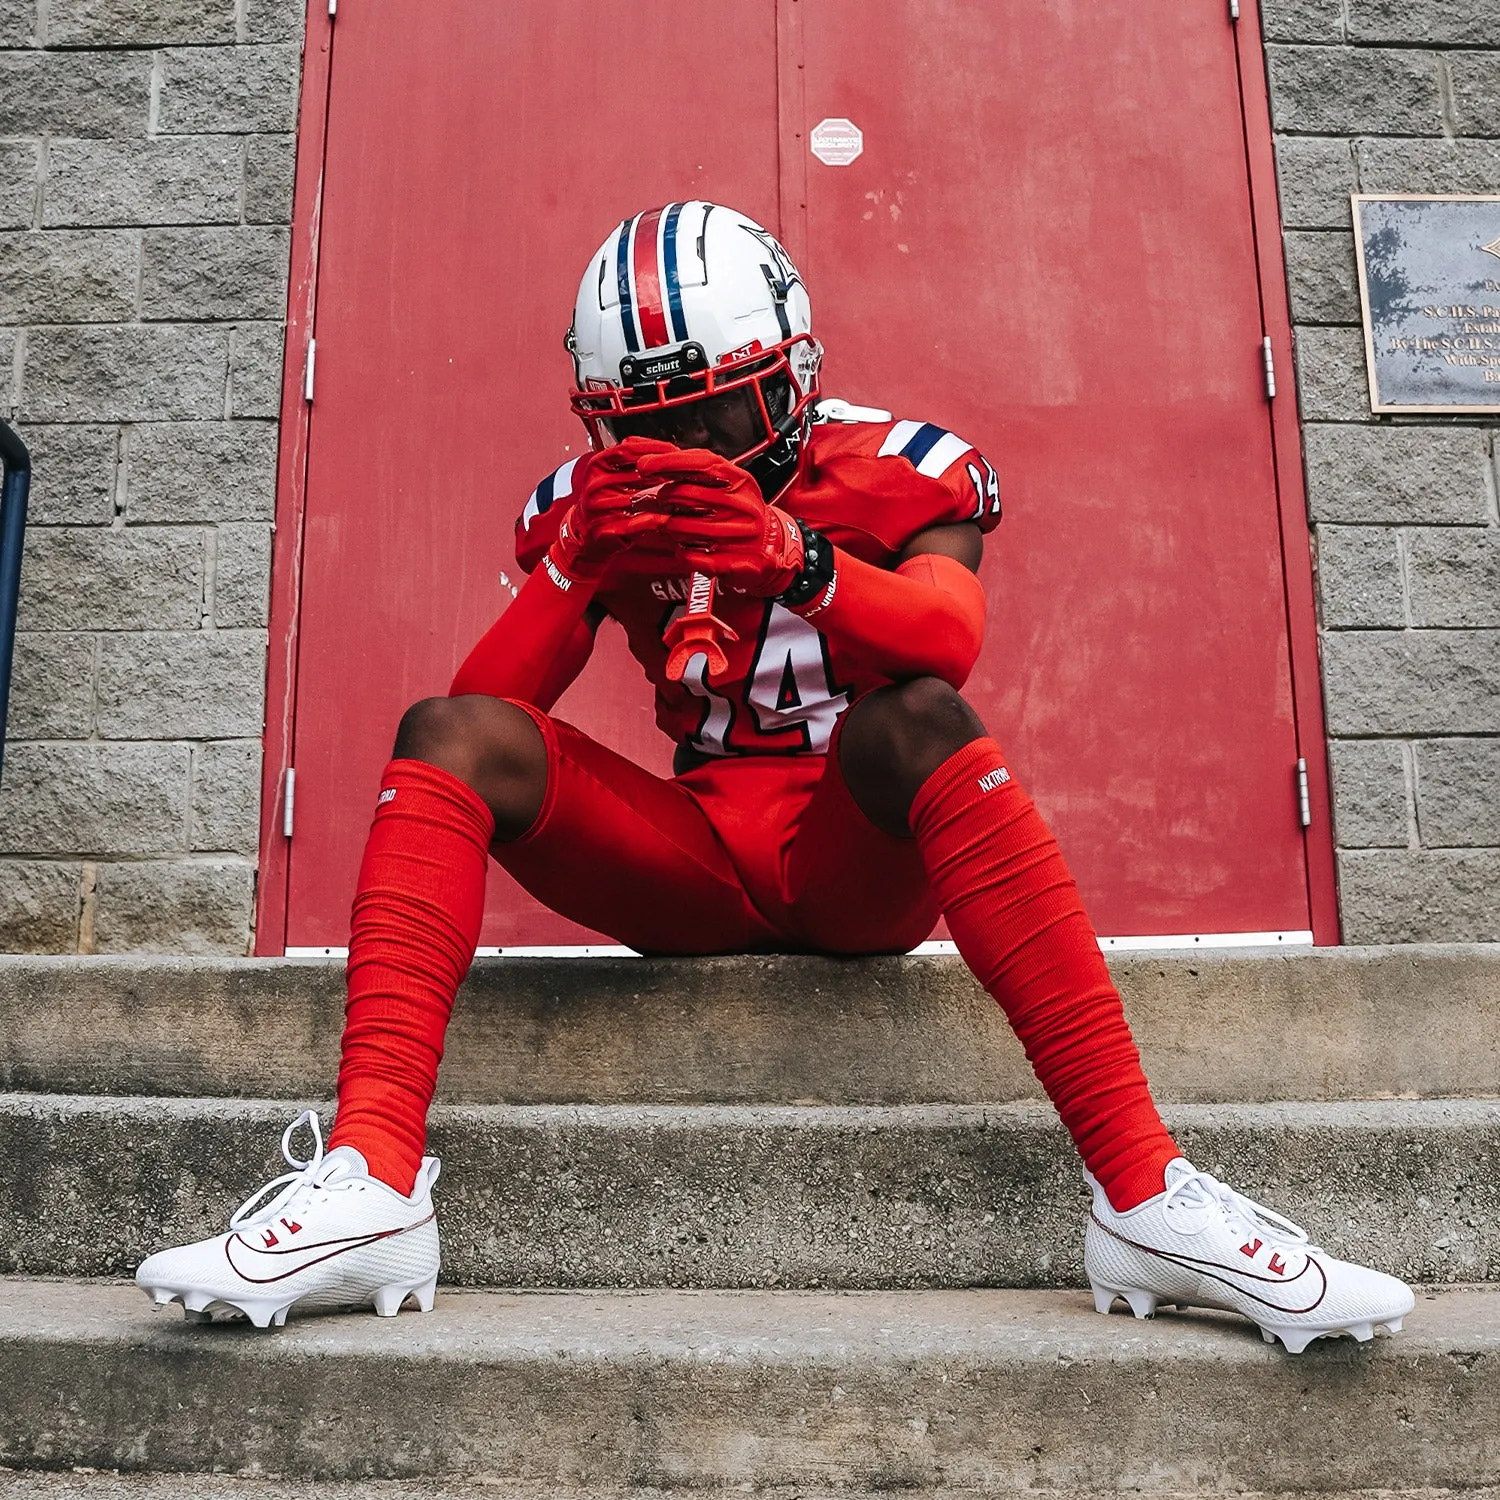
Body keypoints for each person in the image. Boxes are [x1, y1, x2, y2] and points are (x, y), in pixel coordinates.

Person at [137, 202, 1413, 1352]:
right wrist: (579, 563)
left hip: (857, 863)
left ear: (797, 371)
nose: (691, 441)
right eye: (652, 420)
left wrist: (797, 560)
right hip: (696, 857)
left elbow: (946, 639)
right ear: (601, 416)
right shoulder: (589, 499)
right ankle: (369, 1179)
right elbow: (494, 708)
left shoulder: (902, 462)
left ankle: (1143, 1194)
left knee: (915, 719)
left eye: (719, 410)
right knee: (446, 731)